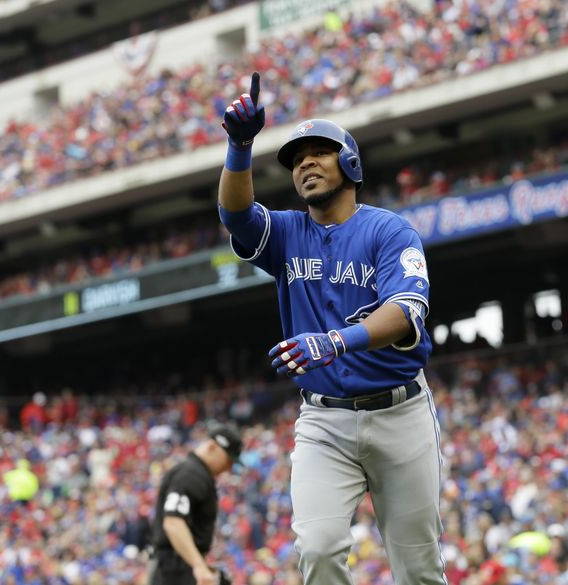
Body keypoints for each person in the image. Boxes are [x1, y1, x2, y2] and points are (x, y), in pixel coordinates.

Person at [215, 72, 445, 585]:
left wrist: (337, 340)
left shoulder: (388, 229)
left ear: (350, 163)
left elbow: (407, 309)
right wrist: (239, 145)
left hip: (399, 411)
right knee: (317, 552)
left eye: (319, 153)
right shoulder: (288, 231)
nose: (306, 165)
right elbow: (234, 214)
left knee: (418, 567)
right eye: (297, 160)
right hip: (323, 423)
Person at [150, 421, 242, 585]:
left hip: (176, 566)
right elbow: (173, 523)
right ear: (213, 447)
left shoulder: (194, 472)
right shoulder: (192, 474)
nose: (228, 468)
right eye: (227, 460)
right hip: (175, 570)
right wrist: (198, 566)